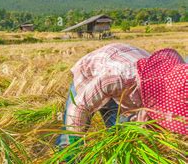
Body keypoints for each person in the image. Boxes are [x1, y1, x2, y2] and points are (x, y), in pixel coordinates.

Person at [57, 43, 187, 150]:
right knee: (69, 137)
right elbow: (80, 107)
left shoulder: (171, 82)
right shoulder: (120, 77)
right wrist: (75, 144)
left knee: (119, 134)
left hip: (126, 78)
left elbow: (154, 117)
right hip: (93, 73)